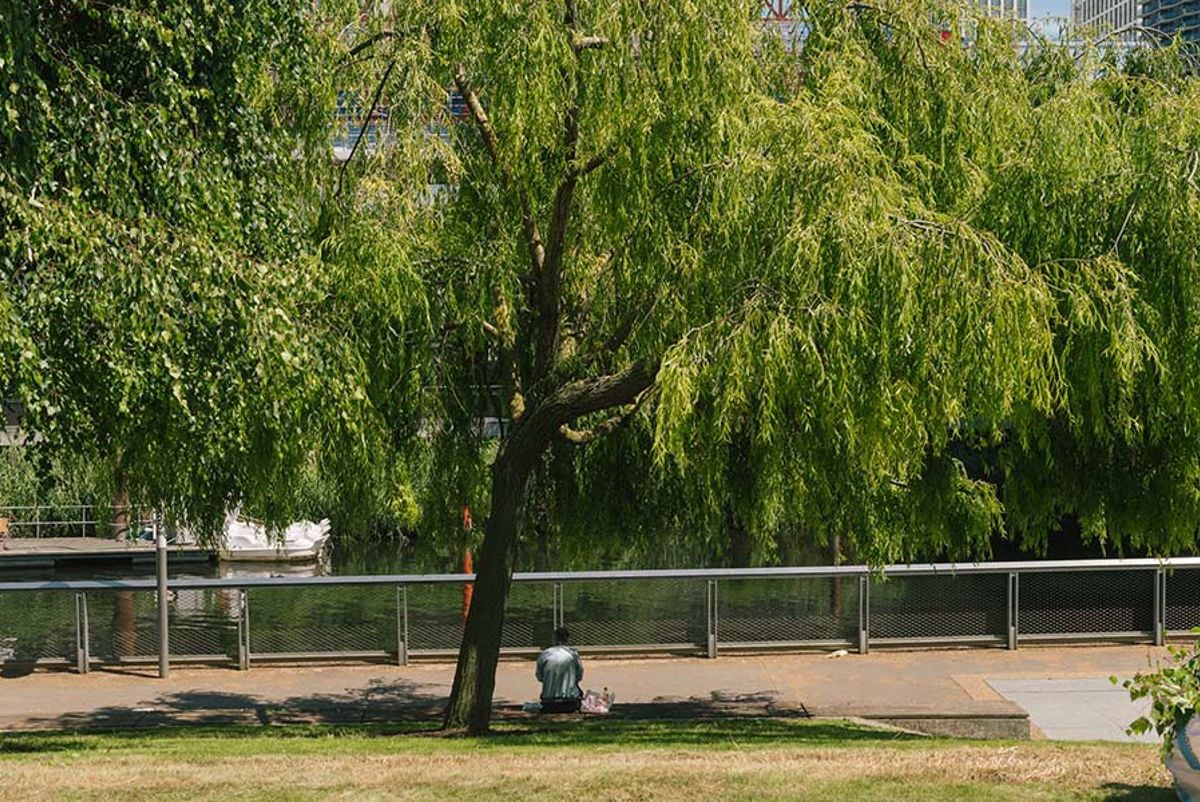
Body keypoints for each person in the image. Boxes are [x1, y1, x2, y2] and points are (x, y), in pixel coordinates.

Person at [536, 626, 584, 713]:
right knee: (579, 691)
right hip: (569, 702)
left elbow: (540, 677)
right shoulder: (573, 654)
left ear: (553, 638)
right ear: (567, 639)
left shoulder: (544, 654)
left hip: (548, 703)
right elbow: (579, 676)